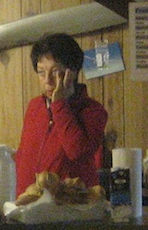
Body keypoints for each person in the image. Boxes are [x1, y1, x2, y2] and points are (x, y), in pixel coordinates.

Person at [14, 33, 108, 196]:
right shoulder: (34, 106)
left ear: (73, 72)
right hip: (31, 203)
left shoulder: (93, 110)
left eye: (56, 72)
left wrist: (59, 104)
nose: (47, 80)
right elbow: (23, 157)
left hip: (72, 204)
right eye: (41, 72)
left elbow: (77, 152)